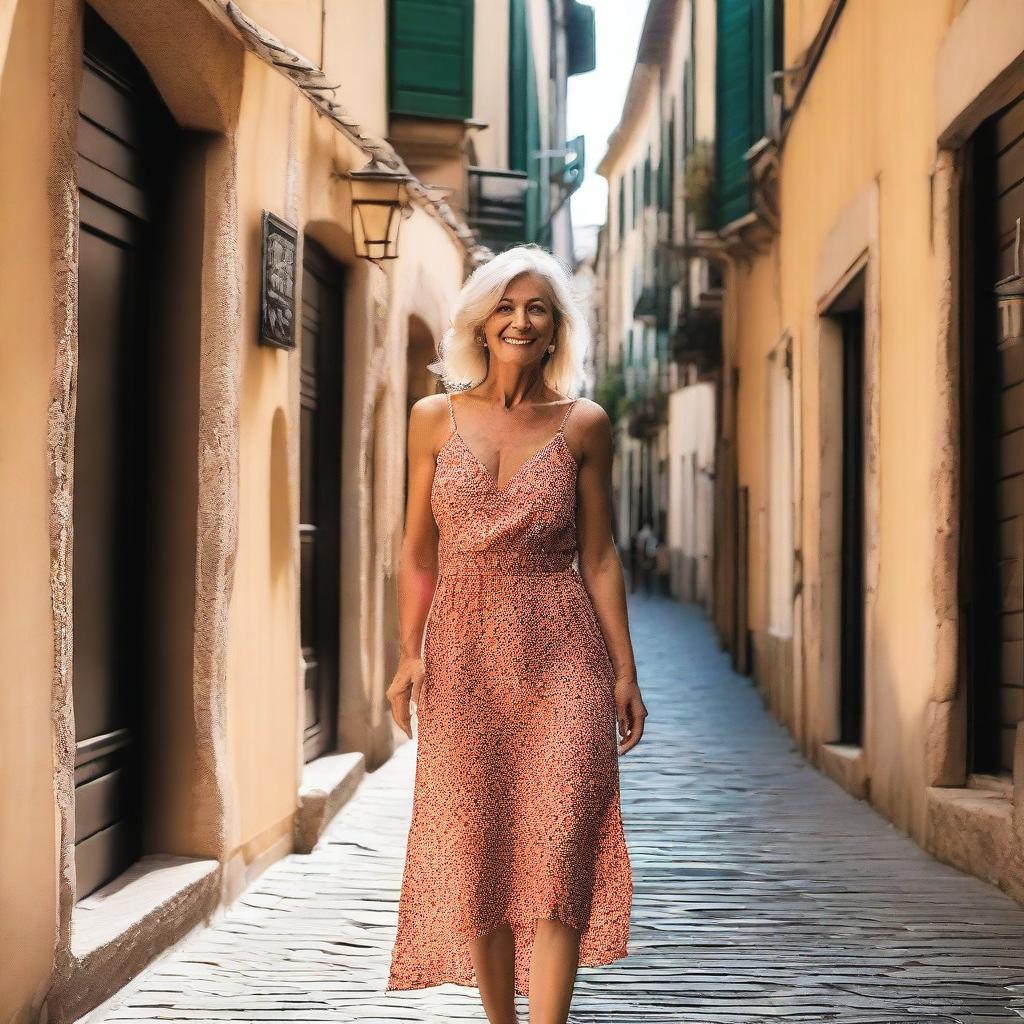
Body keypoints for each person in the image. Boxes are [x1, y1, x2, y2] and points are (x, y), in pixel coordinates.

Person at [384, 244, 648, 1024]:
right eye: (505, 306)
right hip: (462, 651)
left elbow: (599, 556)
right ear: (482, 321)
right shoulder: (431, 419)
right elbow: (416, 551)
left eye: (536, 307)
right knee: (482, 848)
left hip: (562, 649)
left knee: (563, 841)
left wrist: (624, 672)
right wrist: (408, 654)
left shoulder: (585, 425)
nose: (520, 319)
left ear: (556, 326)